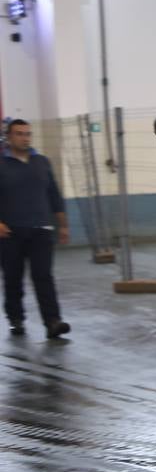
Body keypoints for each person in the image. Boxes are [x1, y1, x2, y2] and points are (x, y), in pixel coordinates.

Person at [0, 119, 71, 340]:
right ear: (9, 137)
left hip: (41, 229)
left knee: (43, 276)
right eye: (20, 134)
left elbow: (54, 195)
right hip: (10, 232)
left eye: (28, 134)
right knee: (13, 278)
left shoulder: (42, 162)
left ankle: (52, 321)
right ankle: (16, 318)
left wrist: (63, 224)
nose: (25, 137)